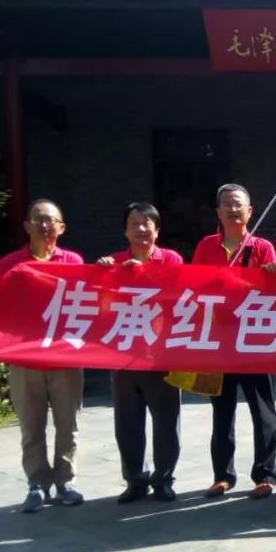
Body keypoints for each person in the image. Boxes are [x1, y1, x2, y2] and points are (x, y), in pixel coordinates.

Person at [0, 199, 86, 513]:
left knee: (68, 424)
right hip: (24, 357)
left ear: (62, 227)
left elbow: (91, 302)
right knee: (31, 426)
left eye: (51, 220)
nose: (45, 225)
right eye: (38, 219)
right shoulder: (10, 264)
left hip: (64, 358)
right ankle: (37, 484)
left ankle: (65, 481)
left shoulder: (74, 261)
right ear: (27, 225)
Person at [193, 183, 276, 499]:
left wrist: (271, 275)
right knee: (222, 411)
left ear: (250, 211)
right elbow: (194, 287)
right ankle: (223, 475)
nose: (233, 209)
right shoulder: (206, 247)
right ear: (218, 212)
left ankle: (265, 474)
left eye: (238, 204)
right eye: (227, 204)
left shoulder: (262, 248)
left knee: (263, 410)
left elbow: (275, 293)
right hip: (219, 341)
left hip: (254, 340)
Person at [96, 202, 185, 504]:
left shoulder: (171, 259)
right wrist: (102, 275)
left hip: (161, 355)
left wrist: (144, 274)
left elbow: (177, 297)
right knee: (127, 423)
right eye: (135, 223)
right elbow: (101, 305)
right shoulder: (114, 262)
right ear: (125, 231)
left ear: (157, 231)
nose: (142, 229)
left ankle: (164, 479)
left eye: (148, 223)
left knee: (166, 422)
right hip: (123, 355)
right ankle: (135, 480)